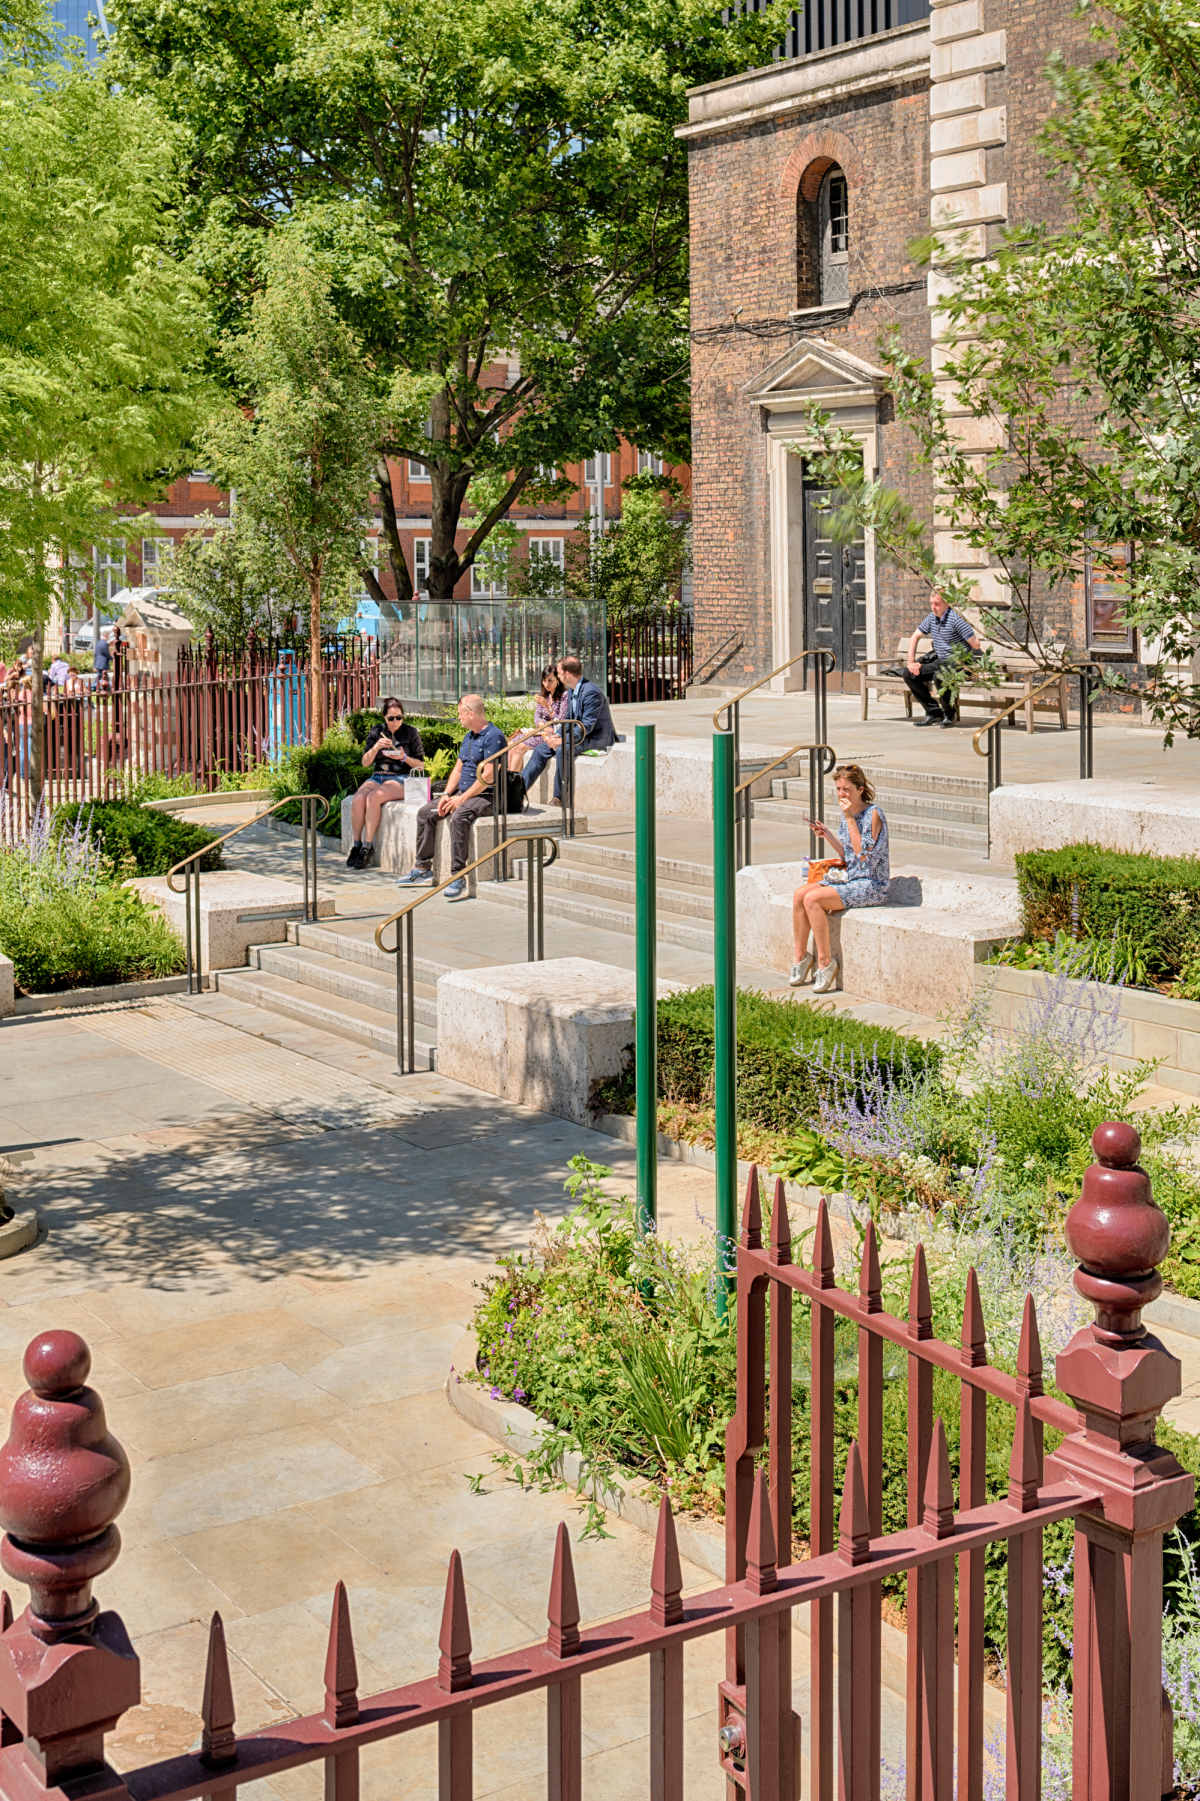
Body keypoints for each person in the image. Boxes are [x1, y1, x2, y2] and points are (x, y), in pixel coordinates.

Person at [790, 763, 890, 994]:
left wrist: (848, 818)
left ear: (860, 789)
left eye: (846, 789)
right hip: (851, 877)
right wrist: (828, 835)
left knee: (813, 899)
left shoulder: (873, 814)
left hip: (871, 884)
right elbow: (847, 854)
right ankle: (801, 957)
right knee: (799, 895)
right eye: (838, 789)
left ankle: (825, 963)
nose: (842, 794)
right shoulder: (849, 815)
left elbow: (862, 855)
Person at [399, 694, 505, 900]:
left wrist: (461, 799)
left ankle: (458, 875)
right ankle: (422, 868)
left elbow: (489, 775)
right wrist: (447, 795)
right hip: (462, 793)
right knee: (426, 812)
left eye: (460, 714)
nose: (459, 718)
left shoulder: (494, 736)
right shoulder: (469, 737)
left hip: (486, 795)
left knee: (459, 817)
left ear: (470, 713)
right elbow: (457, 770)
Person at [345, 698, 425, 869]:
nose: (395, 722)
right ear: (384, 718)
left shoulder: (411, 732)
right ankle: (357, 845)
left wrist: (404, 757)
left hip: (401, 777)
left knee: (374, 797)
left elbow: (420, 764)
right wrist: (376, 748)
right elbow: (365, 763)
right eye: (391, 718)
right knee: (359, 798)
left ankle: (368, 847)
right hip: (378, 776)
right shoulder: (377, 732)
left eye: (399, 717)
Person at [902, 591, 981, 727]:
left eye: (937, 604)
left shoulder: (956, 619)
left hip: (960, 663)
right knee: (909, 674)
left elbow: (976, 644)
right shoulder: (931, 618)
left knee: (940, 675)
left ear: (946, 604)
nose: (933, 607)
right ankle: (934, 713)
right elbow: (915, 637)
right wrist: (911, 663)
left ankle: (950, 715)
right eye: (931, 604)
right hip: (941, 662)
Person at [509, 666, 568, 793]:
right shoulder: (544, 696)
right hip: (540, 731)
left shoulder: (564, 697)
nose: (547, 684)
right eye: (544, 680)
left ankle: (513, 790)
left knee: (519, 748)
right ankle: (507, 784)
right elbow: (537, 716)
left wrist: (547, 706)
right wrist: (542, 725)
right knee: (511, 745)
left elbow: (560, 721)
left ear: (558, 680)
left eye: (550, 680)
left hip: (551, 735)